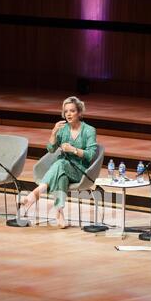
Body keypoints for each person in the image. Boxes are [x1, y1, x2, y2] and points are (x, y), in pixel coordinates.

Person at [20, 96, 97, 228]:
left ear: (79, 112)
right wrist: (53, 133)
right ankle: (59, 212)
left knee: (59, 164)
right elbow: (51, 149)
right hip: (63, 167)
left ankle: (35, 194)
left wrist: (73, 150)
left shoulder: (89, 130)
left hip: (80, 170)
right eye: (66, 111)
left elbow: (90, 155)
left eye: (72, 111)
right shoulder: (62, 129)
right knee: (61, 175)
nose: (68, 114)